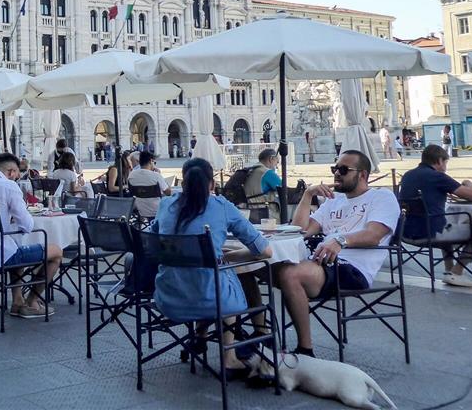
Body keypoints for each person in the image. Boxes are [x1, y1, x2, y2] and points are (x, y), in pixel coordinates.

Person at [150, 157, 271, 372]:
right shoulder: (221, 206)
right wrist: (231, 256)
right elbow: (264, 250)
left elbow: (152, 239)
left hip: (169, 298)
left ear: (183, 182)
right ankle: (229, 357)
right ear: (212, 184)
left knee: (204, 272)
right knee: (221, 275)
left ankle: (200, 336)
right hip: (212, 301)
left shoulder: (166, 205)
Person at [276, 150, 400, 357]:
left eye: (343, 170)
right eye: (335, 169)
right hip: (321, 262)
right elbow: (299, 232)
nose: (337, 174)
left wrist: (341, 240)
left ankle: (305, 350)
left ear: (362, 174)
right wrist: (307, 195)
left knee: (291, 274)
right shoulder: (334, 201)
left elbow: (373, 235)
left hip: (353, 269)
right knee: (254, 266)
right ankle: (255, 340)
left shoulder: (381, 197)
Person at [0, 152, 62, 318]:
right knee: (56, 251)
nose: (17, 176)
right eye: (16, 173)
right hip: (1, 254)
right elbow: (28, 225)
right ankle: (32, 301)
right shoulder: (9, 186)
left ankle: (17, 302)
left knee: (14, 246)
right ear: (10, 172)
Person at [399, 144, 472, 287]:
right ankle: (456, 272)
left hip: (406, 232)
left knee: (445, 222)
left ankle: (449, 268)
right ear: (439, 161)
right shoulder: (437, 176)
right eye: (445, 162)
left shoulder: (408, 175)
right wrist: (468, 182)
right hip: (431, 233)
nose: (445, 166)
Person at [127, 151, 172, 218]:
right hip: (157, 210)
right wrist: (160, 176)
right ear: (151, 161)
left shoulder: (131, 175)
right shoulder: (156, 175)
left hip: (140, 210)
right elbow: (168, 193)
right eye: (154, 162)